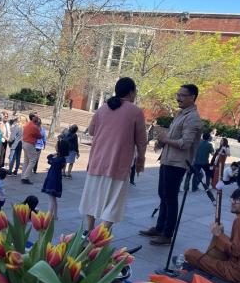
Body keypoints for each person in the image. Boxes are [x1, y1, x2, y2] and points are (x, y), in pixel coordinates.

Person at [79, 77, 147, 232]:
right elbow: (141, 142)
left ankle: (88, 232)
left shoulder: (102, 108)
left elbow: (91, 131)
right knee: (114, 204)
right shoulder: (135, 112)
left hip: (96, 162)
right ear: (131, 92)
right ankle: (97, 238)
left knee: (91, 200)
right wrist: (140, 160)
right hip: (118, 165)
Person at [140, 84, 202, 246]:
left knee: (170, 197)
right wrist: (162, 143)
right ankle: (160, 228)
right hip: (168, 160)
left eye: (182, 95)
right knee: (163, 194)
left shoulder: (193, 118)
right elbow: (173, 137)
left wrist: (165, 140)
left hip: (178, 163)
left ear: (193, 97)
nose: (178, 98)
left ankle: (167, 234)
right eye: (178, 94)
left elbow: (185, 143)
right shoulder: (181, 114)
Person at [184, 187, 240, 283]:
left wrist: (220, 235)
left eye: (238, 200)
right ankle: (207, 263)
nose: (233, 202)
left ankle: (204, 265)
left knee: (190, 253)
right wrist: (220, 235)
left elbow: (239, 252)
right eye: (233, 199)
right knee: (218, 240)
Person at [42, 138, 69, 220]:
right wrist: (56, 153)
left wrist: (55, 155)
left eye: (57, 146)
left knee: (51, 198)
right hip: (54, 178)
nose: (55, 146)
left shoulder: (60, 159)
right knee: (53, 198)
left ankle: (49, 215)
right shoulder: (60, 157)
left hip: (53, 179)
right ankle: (55, 215)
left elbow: (50, 159)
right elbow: (49, 157)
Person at [21, 113, 42, 185]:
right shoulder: (34, 126)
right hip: (29, 144)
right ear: (33, 118)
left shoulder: (27, 124)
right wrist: (39, 127)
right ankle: (25, 177)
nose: (38, 117)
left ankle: (23, 176)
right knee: (33, 160)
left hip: (24, 142)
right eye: (36, 117)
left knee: (26, 160)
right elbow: (40, 136)